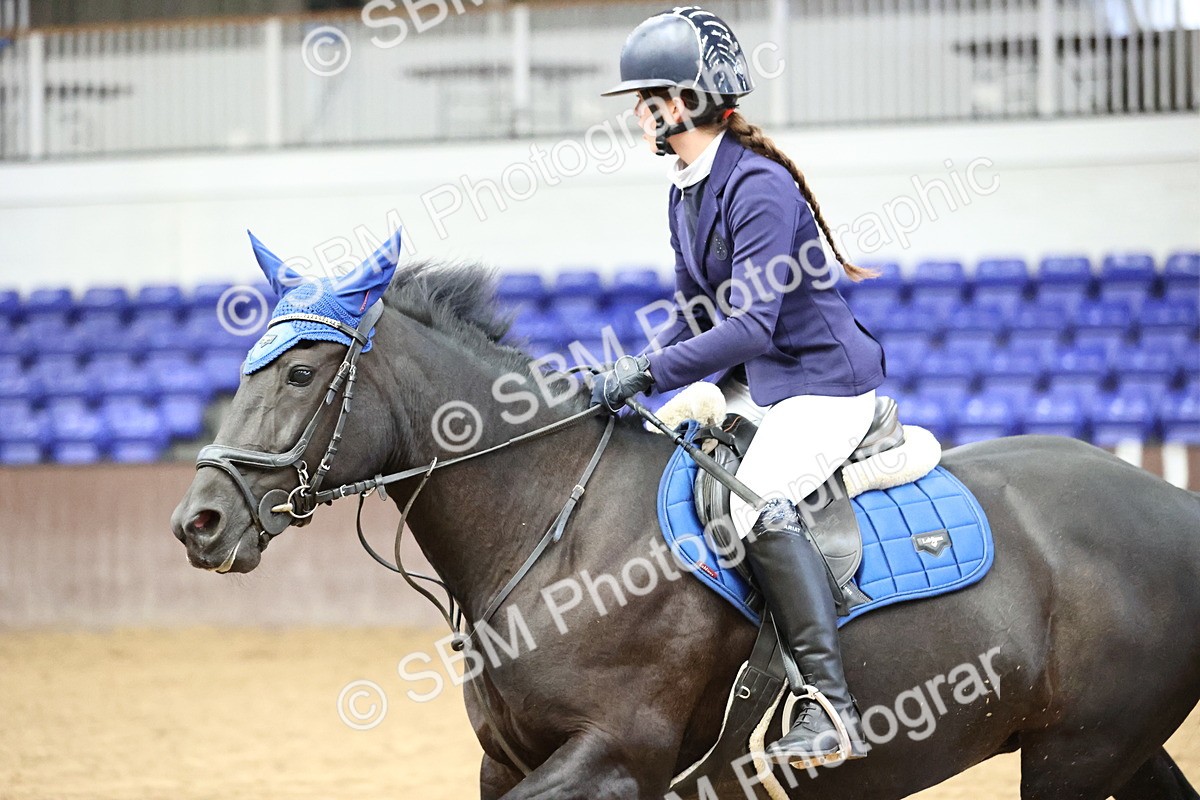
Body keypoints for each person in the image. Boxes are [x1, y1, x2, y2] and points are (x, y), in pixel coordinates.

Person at [591, 6, 887, 769]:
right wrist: (633, 380)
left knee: (757, 499)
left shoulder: (758, 187)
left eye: (647, 96)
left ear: (685, 102)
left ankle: (832, 707)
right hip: (763, 385)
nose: (636, 111)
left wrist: (652, 372)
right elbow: (695, 311)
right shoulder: (686, 187)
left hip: (822, 387)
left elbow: (750, 326)